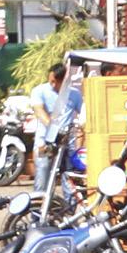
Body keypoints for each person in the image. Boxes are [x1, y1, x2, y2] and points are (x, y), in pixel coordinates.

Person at [27, 60, 79, 198]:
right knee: (42, 181)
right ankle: (37, 216)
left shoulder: (74, 94)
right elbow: (39, 111)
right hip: (45, 143)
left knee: (69, 183)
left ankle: (70, 215)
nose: (52, 84)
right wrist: (54, 130)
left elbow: (84, 116)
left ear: (64, 81)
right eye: (51, 81)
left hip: (68, 145)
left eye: (56, 82)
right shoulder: (39, 91)